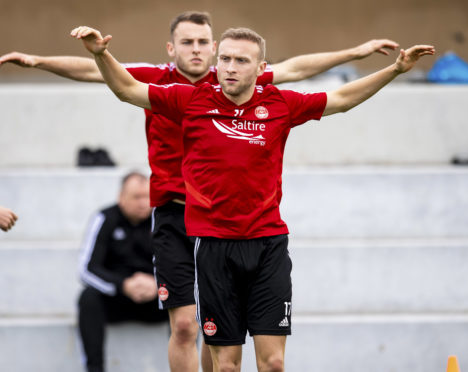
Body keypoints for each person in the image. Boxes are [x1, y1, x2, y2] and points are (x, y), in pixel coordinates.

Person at [0, 12, 399, 372]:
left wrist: (358, 52)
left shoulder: (238, 81)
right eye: (187, 42)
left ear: (214, 48)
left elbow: (298, 69)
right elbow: (95, 71)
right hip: (178, 216)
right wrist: (39, 61)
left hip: (230, 226)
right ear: (171, 48)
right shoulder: (165, 83)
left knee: (227, 340)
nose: (197, 50)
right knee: (188, 326)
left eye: (204, 42)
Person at [78, 171, 169, 372]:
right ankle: (95, 369)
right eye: (137, 197)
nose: (143, 202)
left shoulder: (163, 220)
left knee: (187, 299)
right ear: (121, 197)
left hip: (156, 300)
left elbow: (183, 267)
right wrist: (123, 285)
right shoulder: (105, 218)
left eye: (148, 196)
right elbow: (86, 269)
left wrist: (157, 285)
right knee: (88, 298)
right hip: (117, 300)